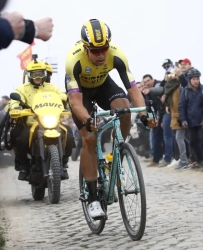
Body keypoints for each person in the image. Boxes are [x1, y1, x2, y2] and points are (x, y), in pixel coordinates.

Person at [65, 19, 156, 219]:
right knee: (89, 137)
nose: (101, 55)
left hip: (104, 85)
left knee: (124, 108)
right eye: (95, 51)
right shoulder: (74, 61)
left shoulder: (116, 55)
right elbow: (75, 102)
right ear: (85, 47)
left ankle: (118, 149)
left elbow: (133, 89)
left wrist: (143, 114)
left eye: (104, 49)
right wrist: (88, 120)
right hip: (82, 94)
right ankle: (93, 198)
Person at [9, 59, 74, 181]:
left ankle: (64, 163)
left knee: (69, 135)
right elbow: (14, 100)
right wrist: (15, 107)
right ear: (29, 75)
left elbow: (62, 95)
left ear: (45, 74)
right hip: (32, 123)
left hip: (52, 122)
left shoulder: (53, 87)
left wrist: (65, 101)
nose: (37, 76)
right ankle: (23, 165)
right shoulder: (22, 89)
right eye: (34, 74)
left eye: (40, 73)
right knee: (21, 138)